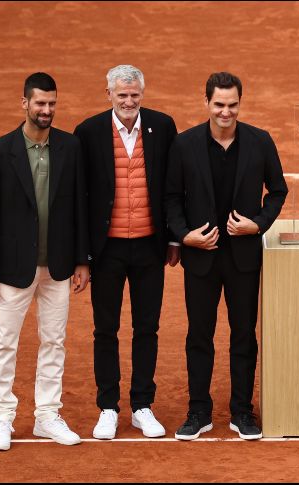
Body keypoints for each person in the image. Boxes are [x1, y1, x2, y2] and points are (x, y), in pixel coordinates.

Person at [165, 72, 288, 440]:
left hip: (243, 258)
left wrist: (259, 224)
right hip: (201, 257)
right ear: (206, 103)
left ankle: (242, 412)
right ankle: (198, 411)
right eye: (219, 104)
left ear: (240, 103)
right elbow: (170, 198)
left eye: (232, 105)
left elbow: (278, 191)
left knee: (243, 335)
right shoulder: (184, 145)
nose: (226, 111)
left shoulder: (259, 142)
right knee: (199, 336)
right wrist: (186, 235)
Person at [0, 72, 89, 451]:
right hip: (11, 267)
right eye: (40, 103)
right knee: (4, 342)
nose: (46, 110)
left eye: (52, 103)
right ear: (24, 103)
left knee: (54, 341)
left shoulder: (70, 148)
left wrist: (81, 260)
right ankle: (2, 418)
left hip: (57, 265)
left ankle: (46, 416)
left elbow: (79, 209)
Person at [73, 65, 179, 440]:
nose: (129, 101)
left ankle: (141, 406)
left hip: (150, 247)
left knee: (146, 327)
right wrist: (81, 257)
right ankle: (108, 407)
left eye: (134, 95)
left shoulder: (163, 126)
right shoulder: (87, 133)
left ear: (142, 94)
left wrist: (173, 239)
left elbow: (172, 186)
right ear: (109, 95)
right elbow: (79, 199)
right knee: (106, 329)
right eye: (122, 95)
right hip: (107, 250)